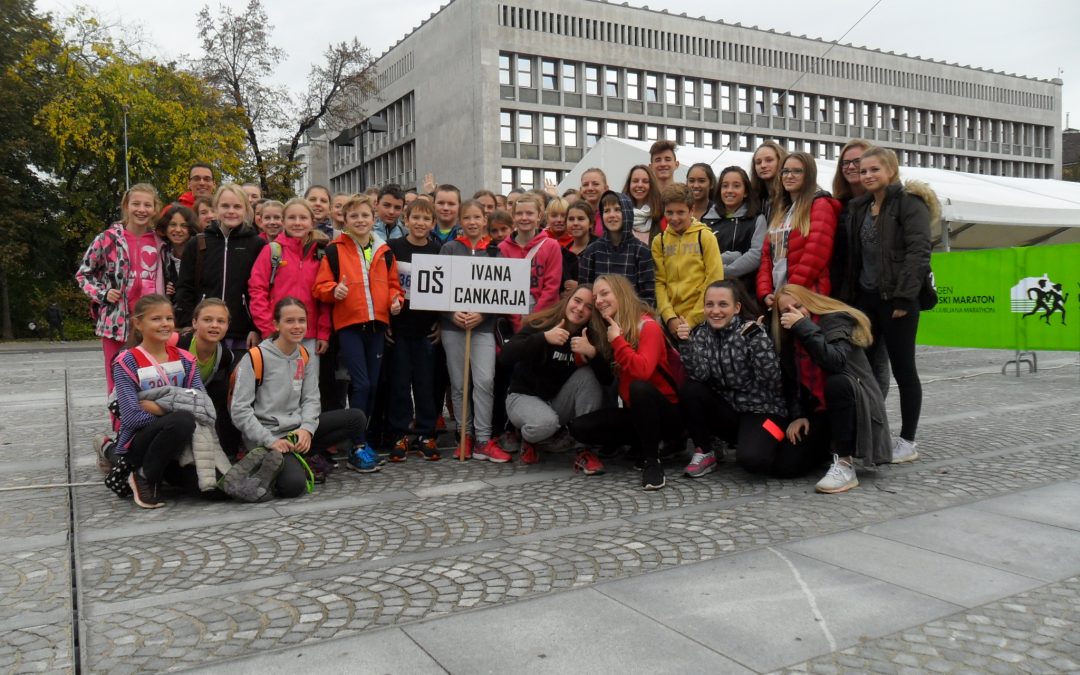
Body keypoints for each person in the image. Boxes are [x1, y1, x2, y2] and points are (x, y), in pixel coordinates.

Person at [838, 146, 934, 463]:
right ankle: (870, 434)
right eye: (863, 171)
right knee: (862, 369)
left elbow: (918, 252)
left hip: (897, 301)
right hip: (866, 301)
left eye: (874, 169)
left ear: (891, 170)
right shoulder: (859, 207)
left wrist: (905, 298)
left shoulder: (909, 202)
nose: (867, 175)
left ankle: (908, 441)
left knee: (904, 370)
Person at [231, 297, 373, 491]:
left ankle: (301, 455)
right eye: (289, 321)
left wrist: (306, 429)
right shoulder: (256, 357)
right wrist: (270, 440)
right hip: (267, 435)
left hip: (296, 431)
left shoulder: (304, 355)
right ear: (276, 324)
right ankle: (269, 461)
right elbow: (239, 410)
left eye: (301, 321)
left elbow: (311, 399)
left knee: (356, 418)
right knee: (294, 486)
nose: (297, 326)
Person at [775, 284, 891, 493]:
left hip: (857, 404)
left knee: (836, 382)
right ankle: (829, 449)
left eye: (798, 306)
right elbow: (791, 383)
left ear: (809, 302)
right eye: (786, 311)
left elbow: (835, 362)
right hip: (822, 412)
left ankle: (845, 464)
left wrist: (803, 326)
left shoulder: (835, 320)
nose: (794, 313)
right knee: (787, 466)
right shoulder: (789, 337)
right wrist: (798, 415)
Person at [569, 275, 680, 490]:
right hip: (635, 413)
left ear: (621, 293)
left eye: (604, 293)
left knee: (639, 388)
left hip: (668, 414)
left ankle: (652, 461)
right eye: (596, 297)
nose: (599, 301)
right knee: (579, 428)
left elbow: (642, 372)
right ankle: (641, 443)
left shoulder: (648, 326)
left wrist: (618, 341)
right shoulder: (609, 329)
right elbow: (608, 377)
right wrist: (588, 352)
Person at [678, 280, 787, 478]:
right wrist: (686, 344)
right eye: (709, 304)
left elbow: (772, 380)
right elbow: (700, 375)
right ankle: (705, 451)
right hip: (730, 412)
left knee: (753, 461)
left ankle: (773, 441)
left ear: (736, 308)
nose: (715, 311)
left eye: (723, 304)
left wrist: (757, 341)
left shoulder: (751, 330)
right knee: (690, 389)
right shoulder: (702, 332)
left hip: (760, 410)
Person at [313, 194, 403, 424]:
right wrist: (334, 291)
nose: (360, 220)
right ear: (344, 219)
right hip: (349, 326)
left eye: (365, 215)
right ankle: (357, 441)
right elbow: (319, 287)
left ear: (374, 219)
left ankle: (362, 435)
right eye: (354, 216)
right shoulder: (335, 250)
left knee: (373, 384)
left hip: (378, 326)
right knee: (361, 384)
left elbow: (394, 286)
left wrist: (396, 301)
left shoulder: (385, 251)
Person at [501, 286, 611, 472]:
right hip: (523, 396)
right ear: (567, 300)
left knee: (588, 375)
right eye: (577, 301)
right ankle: (528, 437)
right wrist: (543, 338)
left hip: (556, 401)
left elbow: (607, 380)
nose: (580, 308)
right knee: (545, 424)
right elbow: (505, 356)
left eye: (588, 307)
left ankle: (583, 448)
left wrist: (593, 353)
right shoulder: (544, 323)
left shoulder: (589, 336)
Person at [110, 294, 204, 508]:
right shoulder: (126, 361)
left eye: (169, 319)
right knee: (181, 420)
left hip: (179, 441)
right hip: (140, 442)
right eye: (156, 319)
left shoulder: (186, 359)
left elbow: (201, 403)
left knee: (208, 490)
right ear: (138, 323)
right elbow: (132, 416)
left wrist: (161, 408)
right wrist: (174, 414)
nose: (165, 324)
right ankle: (142, 475)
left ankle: (156, 473)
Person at [77, 183, 164, 395]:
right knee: (117, 377)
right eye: (136, 204)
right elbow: (83, 274)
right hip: (115, 323)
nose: (141, 209)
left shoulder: (160, 241)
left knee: (149, 376)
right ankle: (120, 426)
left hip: (149, 323)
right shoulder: (107, 239)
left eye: (147, 205)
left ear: (155, 208)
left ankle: (144, 426)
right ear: (126, 206)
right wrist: (102, 294)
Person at [440, 200, 510, 461]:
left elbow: (503, 293)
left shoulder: (494, 252)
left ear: (484, 221)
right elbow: (439, 289)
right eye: (466, 217)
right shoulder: (449, 249)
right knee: (459, 384)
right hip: (453, 327)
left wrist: (483, 313)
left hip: (483, 328)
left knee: (484, 381)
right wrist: (450, 313)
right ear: (461, 221)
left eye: (476, 218)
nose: (471, 222)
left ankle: (483, 438)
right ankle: (464, 435)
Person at [175, 184, 267, 352]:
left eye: (237, 206)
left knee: (236, 378)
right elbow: (185, 287)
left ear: (246, 210)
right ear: (216, 209)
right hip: (203, 330)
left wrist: (256, 327)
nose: (231, 211)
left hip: (242, 333)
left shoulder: (257, 244)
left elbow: (261, 289)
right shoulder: (198, 243)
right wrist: (188, 324)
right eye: (225, 206)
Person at [386, 198, 443, 461]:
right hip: (398, 328)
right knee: (399, 383)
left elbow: (448, 292)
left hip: (426, 330)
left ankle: (425, 432)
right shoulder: (393, 248)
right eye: (415, 218)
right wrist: (385, 321)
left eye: (425, 219)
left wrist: (442, 324)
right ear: (405, 220)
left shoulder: (438, 250)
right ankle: (400, 432)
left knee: (425, 383)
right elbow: (382, 285)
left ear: (433, 223)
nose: (420, 223)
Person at [248, 198, 331, 358]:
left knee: (308, 381)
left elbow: (325, 298)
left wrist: (323, 332)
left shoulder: (321, 253)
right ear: (284, 221)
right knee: (277, 381)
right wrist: (268, 328)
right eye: (292, 218)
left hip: (309, 335)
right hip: (277, 334)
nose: (297, 222)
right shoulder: (272, 251)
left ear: (312, 222)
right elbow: (257, 290)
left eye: (303, 218)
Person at [756, 152, 839, 309]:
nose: (789, 176)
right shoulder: (781, 210)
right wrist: (765, 291)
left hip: (806, 297)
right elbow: (766, 256)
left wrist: (791, 292)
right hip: (778, 297)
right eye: (785, 171)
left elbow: (815, 255)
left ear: (809, 175)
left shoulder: (820, 205)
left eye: (797, 171)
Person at [652, 184, 724, 340]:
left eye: (680, 212)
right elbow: (659, 282)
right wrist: (669, 317)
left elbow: (714, 278)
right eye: (669, 212)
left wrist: (692, 320)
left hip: (702, 320)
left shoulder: (705, 237)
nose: (674, 218)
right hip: (670, 322)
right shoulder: (659, 242)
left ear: (691, 211)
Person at [175, 298, 242, 459]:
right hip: (172, 407)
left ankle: (229, 451)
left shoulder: (224, 355)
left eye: (221, 321)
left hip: (198, 405)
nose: (214, 325)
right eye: (207, 320)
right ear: (194, 322)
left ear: (227, 326)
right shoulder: (178, 344)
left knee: (228, 392)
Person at [498, 193, 563, 331]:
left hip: (544, 317)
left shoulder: (551, 246)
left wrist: (533, 319)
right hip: (513, 318)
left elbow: (551, 287)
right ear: (513, 217)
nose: (524, 218)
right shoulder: (503, 248)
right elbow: (503, 289)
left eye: (529, 213)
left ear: (539, 216)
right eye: (519, 213)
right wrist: (517, 322)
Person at [578, 190, 655, 305]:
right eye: (606, 211)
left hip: (632, 317)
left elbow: (648, 296)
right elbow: (585, 291)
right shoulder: (592, 251)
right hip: (599, 317)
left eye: (617, 209)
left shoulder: (642, 251)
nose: (612, 215)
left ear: (627, 212)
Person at [829, 139, 874, 294]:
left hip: (875, 293)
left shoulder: (886, 204)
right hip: (843, 292)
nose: (851, 167)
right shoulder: (836, 205)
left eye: (857, 161)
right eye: (845, 163)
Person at [712, 166, 767, 290]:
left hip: (745, 291)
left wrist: (722, 272)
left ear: (746, 191)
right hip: (712, 290)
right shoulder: (707, 220)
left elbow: (756, 255)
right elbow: (701, 256)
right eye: (725, 186)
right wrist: (732, 257)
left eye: (736, 186)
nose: (729, 190)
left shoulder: (757, 219)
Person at [155, 203, 196, 304]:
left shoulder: (199, 252)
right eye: (173, 224)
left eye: (184, 226)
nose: (178, 230)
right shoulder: (162, 254)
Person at [621, 164, 664, 244]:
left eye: (645, 181)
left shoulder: (662, 214)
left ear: (651, 185)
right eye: (635, 181)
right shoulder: (620, 215)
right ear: (629, 184)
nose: (640, 185)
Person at [561, 201, 597, 294]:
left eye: (581, 219)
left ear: (591, 223)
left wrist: (580, 286)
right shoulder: (563, 252)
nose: (575, 223)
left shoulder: (600, 248)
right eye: (571, 219)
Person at [750, 141, 787, 223]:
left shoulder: (790, 195)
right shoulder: (753, 198)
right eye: (758, 162)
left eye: (769, 160)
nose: (763, 165)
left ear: (781, 162)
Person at [687, 163, 721, 230]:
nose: (696, 185)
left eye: (701, 181)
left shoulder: (719, 213)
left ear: (711, 184)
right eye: (691, 181)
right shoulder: (679, 210)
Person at [578, 167, 608, 235]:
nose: (590, 188)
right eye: (585, 185)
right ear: (580, 190)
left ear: (606, 188)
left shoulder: (613, 214)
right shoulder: (575, 213)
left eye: (595, 184)